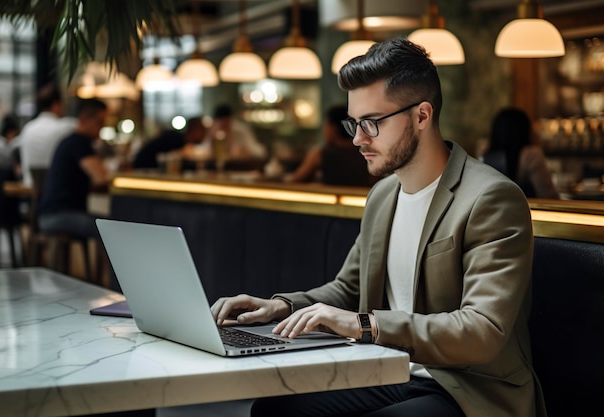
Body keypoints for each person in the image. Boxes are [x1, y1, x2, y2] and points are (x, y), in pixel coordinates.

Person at [212, 38, 546, 417]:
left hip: (469, 389)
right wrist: (280, 306)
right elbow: (348, 289)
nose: (357, 139)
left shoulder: (491, 198)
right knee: (276, 410)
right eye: (353, 124)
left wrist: (365, 326)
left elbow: (482, 332)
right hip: (393, 371)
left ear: (422, 115)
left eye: (371, 123)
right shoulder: (383, 195)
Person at [37, 98, 109, 238]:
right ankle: (109, 261)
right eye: (99, 122)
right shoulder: (79, 143)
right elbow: (100, 178)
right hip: (60, 216)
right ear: (83, 119)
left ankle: (102, 261)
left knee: (107, 225)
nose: (102, 127)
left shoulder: (70, 141)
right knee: (110, 228)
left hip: (49, 214)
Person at [291, 104, 377, 186]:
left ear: (333, 129)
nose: (324, 131)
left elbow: (295, 182)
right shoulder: (368, 153)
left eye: (326, 126)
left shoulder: (320, 154)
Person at [482, 107, 559, 199]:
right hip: (525, 210)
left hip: (487, 210)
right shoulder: (531, 155)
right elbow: (547, 194)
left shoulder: (485, 153)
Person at [17, 83, 77, 186]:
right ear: (56, 105)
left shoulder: (28, 128)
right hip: (56, 188)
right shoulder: (65, 127)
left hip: (29, 187)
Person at [132, 117, 206, 170]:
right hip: (143, 169)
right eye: (202, 131)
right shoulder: (175, 139)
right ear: (195, 131)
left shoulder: (181, 142)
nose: (204, 135)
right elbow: (163, 159)